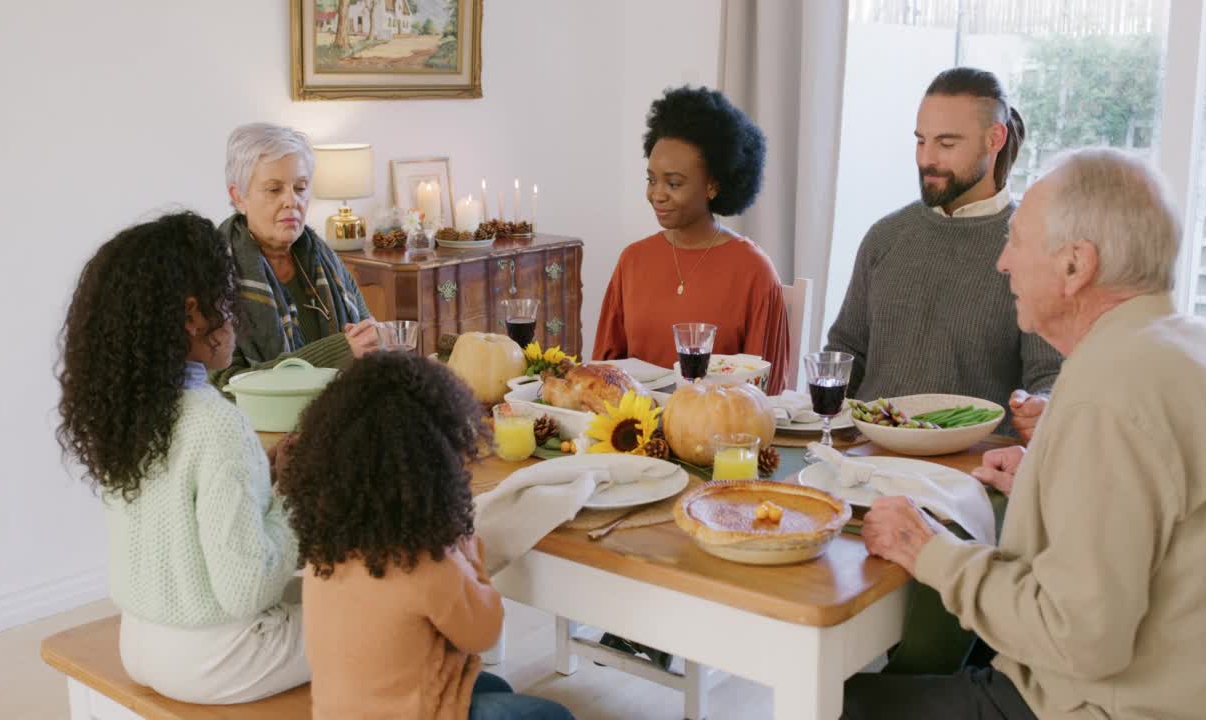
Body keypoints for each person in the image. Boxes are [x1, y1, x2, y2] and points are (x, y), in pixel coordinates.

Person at [847, 149, 1206, 719]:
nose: (1002, 263)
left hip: (1109, 706)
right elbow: (1173, 518)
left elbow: (1077, 638)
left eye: (1016, 241)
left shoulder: (1109, 388)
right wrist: (1050, 482)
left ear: (1075, 265)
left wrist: (927, 550)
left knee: (824, 701)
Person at [56, 211, 307, 703]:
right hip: (223, 660)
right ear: (194, 315)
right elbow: (247, 587)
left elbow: (185, 530)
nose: (233, 317)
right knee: (381, 609)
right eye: (228, 302)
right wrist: (294, 496)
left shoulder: (129, 416)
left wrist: (267, 480)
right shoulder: (214, 422)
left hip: (143, 642)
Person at [280, 352, 575, 720]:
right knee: (553, 715)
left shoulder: (327, 550)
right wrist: (468, 552)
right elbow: (485, 631)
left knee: (493, 688)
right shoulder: (426, 561)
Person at [824, 67, 1061, 441]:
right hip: (868, 459)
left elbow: (1049, 378)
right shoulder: (885, 237)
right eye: (921, 141)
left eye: (947, 144)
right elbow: (844, 351)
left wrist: (1043, 405)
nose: (927, 159)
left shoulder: (1032, 249)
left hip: (971, 472)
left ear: (994, 138)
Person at [592, 85, 790, 394]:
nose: (657, 194)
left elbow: (765, 394)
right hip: (635, 431)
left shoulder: (754, 272)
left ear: (712, 185)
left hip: (719, 433)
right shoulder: (633, 260)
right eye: (651, 180)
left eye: (673, 183)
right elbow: (604, 373)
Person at [212, 122, 378, 389]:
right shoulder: (213, 271)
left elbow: (368, 337)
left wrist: (376, 342)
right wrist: (340, 351)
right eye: (274, 189)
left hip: (342, 412)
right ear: (238, 196)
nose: (292, 201)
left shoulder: (326, 259)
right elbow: (224, 384)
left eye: (300, 188)